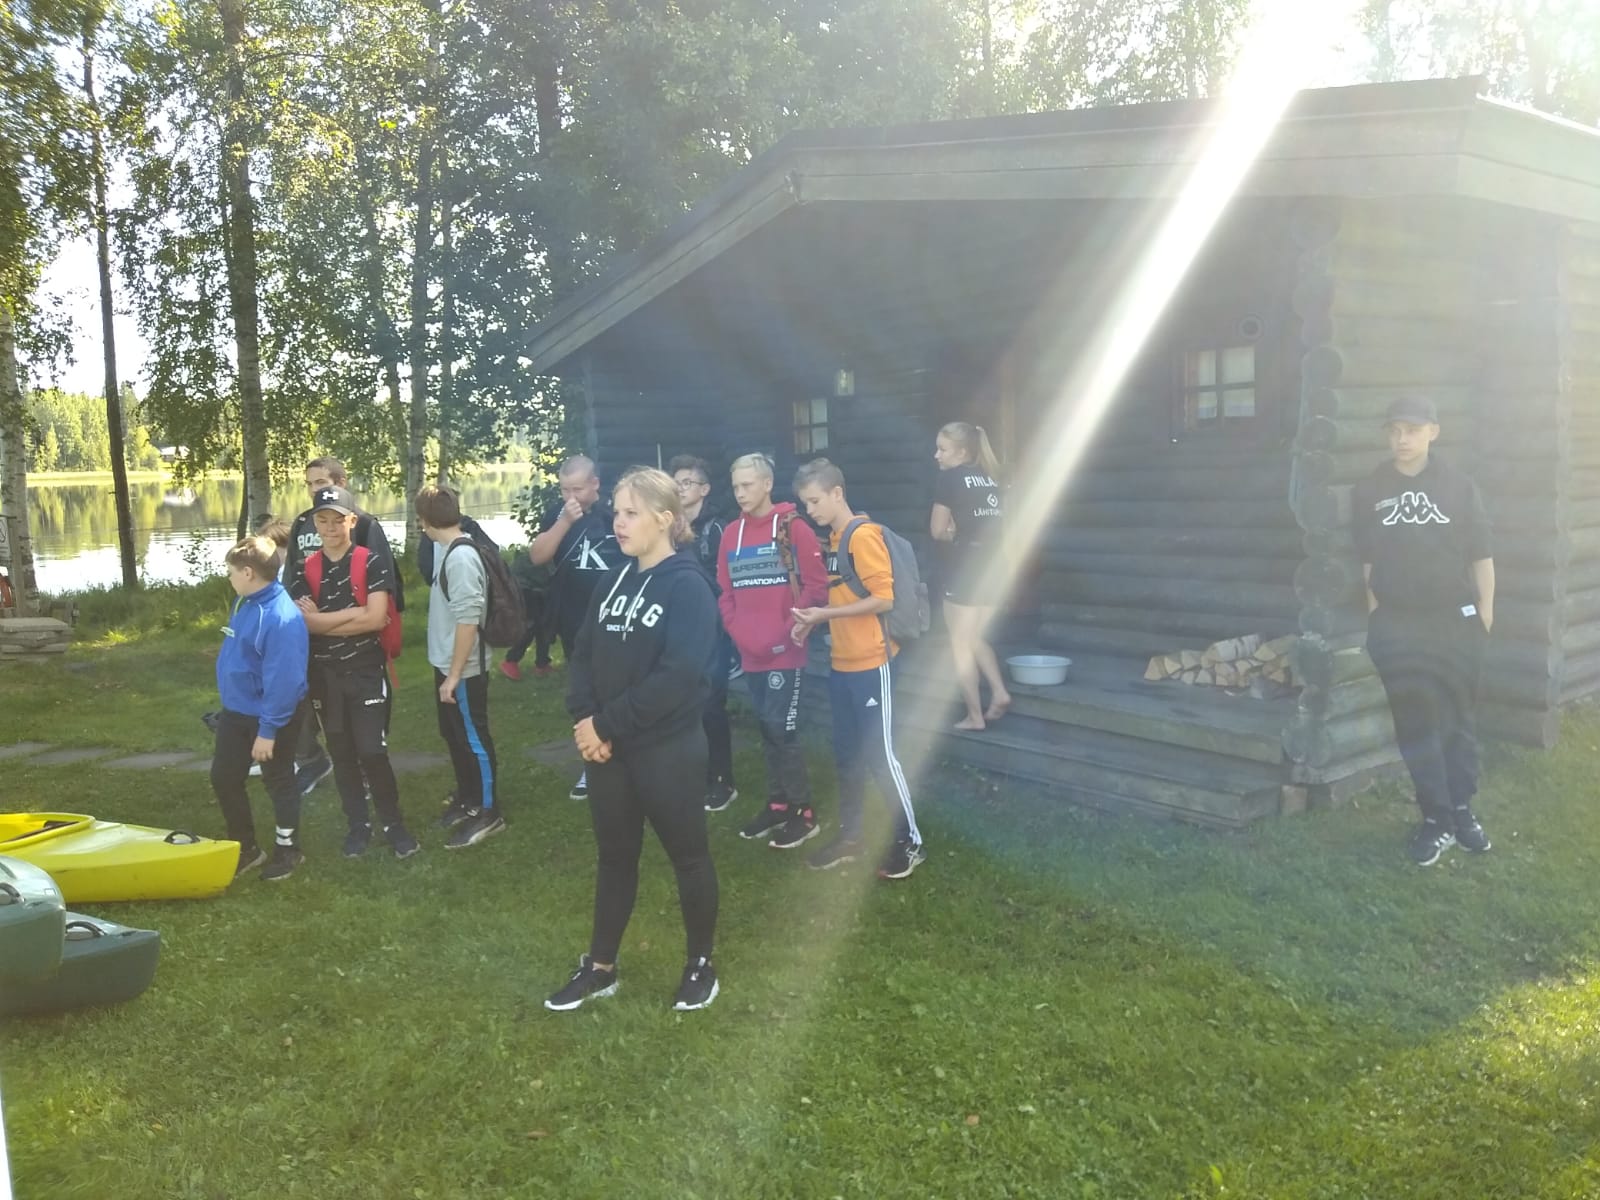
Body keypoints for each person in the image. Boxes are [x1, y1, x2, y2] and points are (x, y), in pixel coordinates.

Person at [546, 467, 722, 1013]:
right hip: (608, 751)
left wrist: (606, 725)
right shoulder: (615, 577)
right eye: (617, 512)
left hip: (667, 750)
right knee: (615, 857)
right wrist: (585, 719)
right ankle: (601, 967)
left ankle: (700, 965)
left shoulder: (689, 587)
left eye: (630, 513)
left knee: (688, 857)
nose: (618, 523)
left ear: (665, 519)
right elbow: (583, 653)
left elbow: (679, 677)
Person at [1355, 396, 1495, 867]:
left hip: (1454, 621)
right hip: (1398, 623)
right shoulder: (1371, 489)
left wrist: (1485, 613)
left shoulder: (1458, 486)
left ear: (1433, 431)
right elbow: (1368, 559)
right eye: (1394, 430)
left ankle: (1462, 811)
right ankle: (1435, 819)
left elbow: (1481, 553)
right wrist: (1376, 614)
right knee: (1416, 722)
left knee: (1457, 716)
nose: (1402, 439)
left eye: (1412, 430)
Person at [791, 459, 926, 880]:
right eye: (805, 503)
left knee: (881, 755)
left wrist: (823, 615)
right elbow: (846, 598)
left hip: (873, 664)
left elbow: (883, 599)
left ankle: (910, 842)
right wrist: (814, 621)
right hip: (842, 665)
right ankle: (851, 837)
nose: (810, 510)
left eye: (815, 500)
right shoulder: (833, 540)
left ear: (837, 493)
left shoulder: (861, 536)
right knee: (847, 754)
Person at [289, 485, 419, 860]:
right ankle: (358, 826)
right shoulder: (303, 569)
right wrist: (353, 617)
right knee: (342, 753)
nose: (330, 528)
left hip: (365, 671)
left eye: (337, 520)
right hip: (324, 676)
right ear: (315, 523)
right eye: (322, 520)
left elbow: (376, 619)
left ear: (351, 521)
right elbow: (304, 625)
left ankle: (394, 824)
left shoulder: (371, 562)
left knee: (372, 751)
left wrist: (324, 621)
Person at [716, 452, 829, 849]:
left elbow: (816, 586)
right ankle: (778, 804)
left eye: (747, 485)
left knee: (782, 729)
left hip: (786, 651)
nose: (740, 493)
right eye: (736, 486)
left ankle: (804, 812)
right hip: (750, 652)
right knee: (767, 727)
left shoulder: (794, 528)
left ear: (767, 484)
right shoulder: (731, 534)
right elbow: (726, 592)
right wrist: (737, 632)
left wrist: (784, 633)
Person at [284, 457, 405, 796]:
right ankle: (319, 762)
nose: (313, 490)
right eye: (309, 484)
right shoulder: (302, 524)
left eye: (320, 483)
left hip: (364, 643)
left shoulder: (363, 524)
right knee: (324, 712)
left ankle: (370, 772)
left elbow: (383, 594)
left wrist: (353, 618)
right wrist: (308, 621)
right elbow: (292, 581)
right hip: (320, 647)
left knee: (369, 724)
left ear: (341, 483)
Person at [211, 534, 310, 881]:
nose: (229, 577)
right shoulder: (243, 602)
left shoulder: (281, 618)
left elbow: (286, 683)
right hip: (237, 712)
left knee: (278, 779)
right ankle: (246, 848)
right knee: (224, 777)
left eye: (231, 571)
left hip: (272, 715)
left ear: (249, 573)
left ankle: (289, 849)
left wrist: (268, 731)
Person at [529, 455, 627, 801]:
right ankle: (593, 763)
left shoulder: (616, 513)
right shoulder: (558, 515)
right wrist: (564, 522)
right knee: (586, 693)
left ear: (595, 484)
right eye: (564, 489)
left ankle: (628, 757)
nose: (570, 496)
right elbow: (538, 556)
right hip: (575, 623)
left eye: (577, 489)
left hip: (618, 619)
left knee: (621, 688)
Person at [417, 485, 505, 849]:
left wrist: (454, 676)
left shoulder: (462, 558)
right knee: (454, 735)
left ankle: (489, 811)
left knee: (474, 738)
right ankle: (469, 799)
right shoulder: (446, 548)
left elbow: (468, 622)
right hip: (447, 662)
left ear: (424, 521)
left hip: (465, 669)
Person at [930, 422, 1011, 731]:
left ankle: (975, 716)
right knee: (974, 637)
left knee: (960, 644)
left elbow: (937, 530)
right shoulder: (989, 477)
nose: (936, 455)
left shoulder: (949, 478)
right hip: (995, 566)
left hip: (966, 567)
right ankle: (999, 692)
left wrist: (953, 533)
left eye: (942, 449)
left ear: (962, 452)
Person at [670, 453, 737, 813]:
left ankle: (722, 780)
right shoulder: (671, 527)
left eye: (687, 483)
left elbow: (727, 581)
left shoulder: (718, 528)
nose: (680, 489)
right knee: (685, 703)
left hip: (713, 629)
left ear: (705, 489)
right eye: (676, 482)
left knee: (711, 705)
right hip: (679, 627)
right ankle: (695, 773)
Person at [501, 551, 556, 681]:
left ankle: (542, 664)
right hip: (525, 590)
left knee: (543, 626)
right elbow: (552, 575)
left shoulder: (544, 551)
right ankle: (511, 661)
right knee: (532, 626)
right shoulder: (550, 553)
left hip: (532, 590)